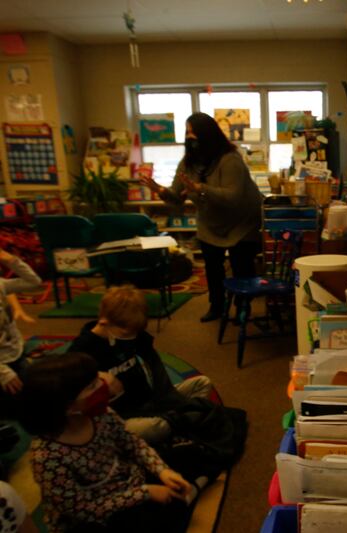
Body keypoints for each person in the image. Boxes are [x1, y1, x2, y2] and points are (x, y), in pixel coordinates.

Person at [18, 352, 193, 533]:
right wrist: (145, 493)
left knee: (186, 459)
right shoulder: (47, 458)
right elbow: (81, 509)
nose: (104, 384)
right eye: (92, 385)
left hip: (129, 483)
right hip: (97, 515)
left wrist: (162, 470)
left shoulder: (101, 414)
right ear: (69, 407)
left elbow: (132, 443)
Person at [140, 112, 263, 322]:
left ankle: (243, 306)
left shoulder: (230, 160)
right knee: (213, 268)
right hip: (210, 222)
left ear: (207, 134)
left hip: (242, 222)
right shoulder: (189, 163)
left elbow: (232, 197)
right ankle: (216, 305)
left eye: (193, 132)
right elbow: (177, 198)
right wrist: (159, 190)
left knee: (241, 267)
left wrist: (200, 188)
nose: (190, 137)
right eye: (187, 133)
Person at [69, 286, 212, 444]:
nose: (132, 337)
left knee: (202, 383)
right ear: (104, 322)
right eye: (126, 333)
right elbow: (62, 384)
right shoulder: (83, 348)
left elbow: (158, 375)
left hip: (150, 402)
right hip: (122, 418)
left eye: (135, 332)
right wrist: (99, 376)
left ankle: (178, 423)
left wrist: (168, 401)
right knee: (154, 428)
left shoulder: (133, 333)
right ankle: (179, 424)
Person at [0, 249, 42, 398]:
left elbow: (34, 282)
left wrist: (12, 260)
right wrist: (3, 372)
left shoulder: (1, 285)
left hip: (15, 352)